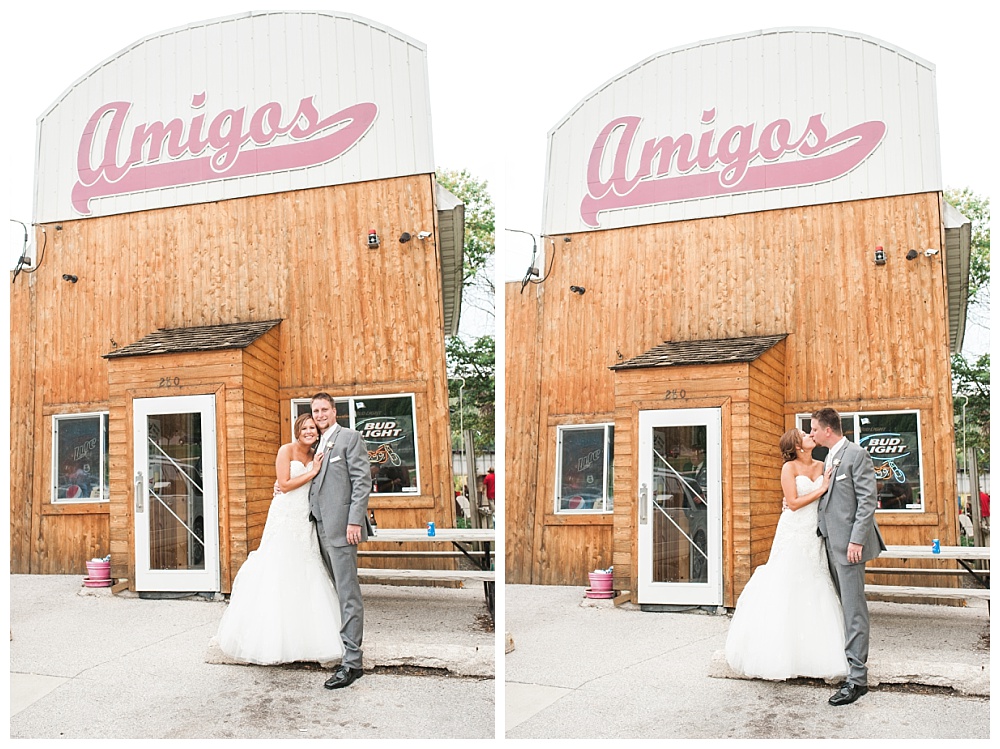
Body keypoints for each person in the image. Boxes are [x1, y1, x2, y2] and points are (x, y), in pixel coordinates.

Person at [215, 414, 344, 664]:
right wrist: (312, 472)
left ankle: (306, 637)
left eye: (313, 428)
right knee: (278, 566)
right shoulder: (286, 450)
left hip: (305, 518)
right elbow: (284, 485)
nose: (309, 431)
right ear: (297, 431)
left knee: (306, 567)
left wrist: (316, 469)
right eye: (304, 428)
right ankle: (270, 638)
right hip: (285, 515)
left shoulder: (317, 453)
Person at [725, 428, 847, 681]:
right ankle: (779, 653)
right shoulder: (789, 468)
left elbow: (830, 496)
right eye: (805, 435)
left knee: (815, 582)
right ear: (797, 445)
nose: (810, 436)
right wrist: (821, 489)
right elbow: (791, 503)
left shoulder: (823, 464)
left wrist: (825, 490)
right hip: (793, 530)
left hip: (814, 532)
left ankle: (813, 653)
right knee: (787, 582)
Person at [811, 408, 885, 706]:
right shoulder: (829, 456)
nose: (812, 434)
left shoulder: (856, 454)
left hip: (849, 546)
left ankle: (857, 680)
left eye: (814, 429)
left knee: (854, 609)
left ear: (828, 430)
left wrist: (856, 540)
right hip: (829, 542)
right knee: (843, 606)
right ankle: (848, 665)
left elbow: (868, 501)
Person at [307, 392, 373, 690]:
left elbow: (362, 481)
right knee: (333, 589)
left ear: (334, 411)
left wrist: (355, 521)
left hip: (343, 528)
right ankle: (340, 647)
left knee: (348, 593)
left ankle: (352, 663)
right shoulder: (316, 444)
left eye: (324, 409)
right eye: (315, 410)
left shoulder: (349, 438)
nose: (319, 414)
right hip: (319, 527)